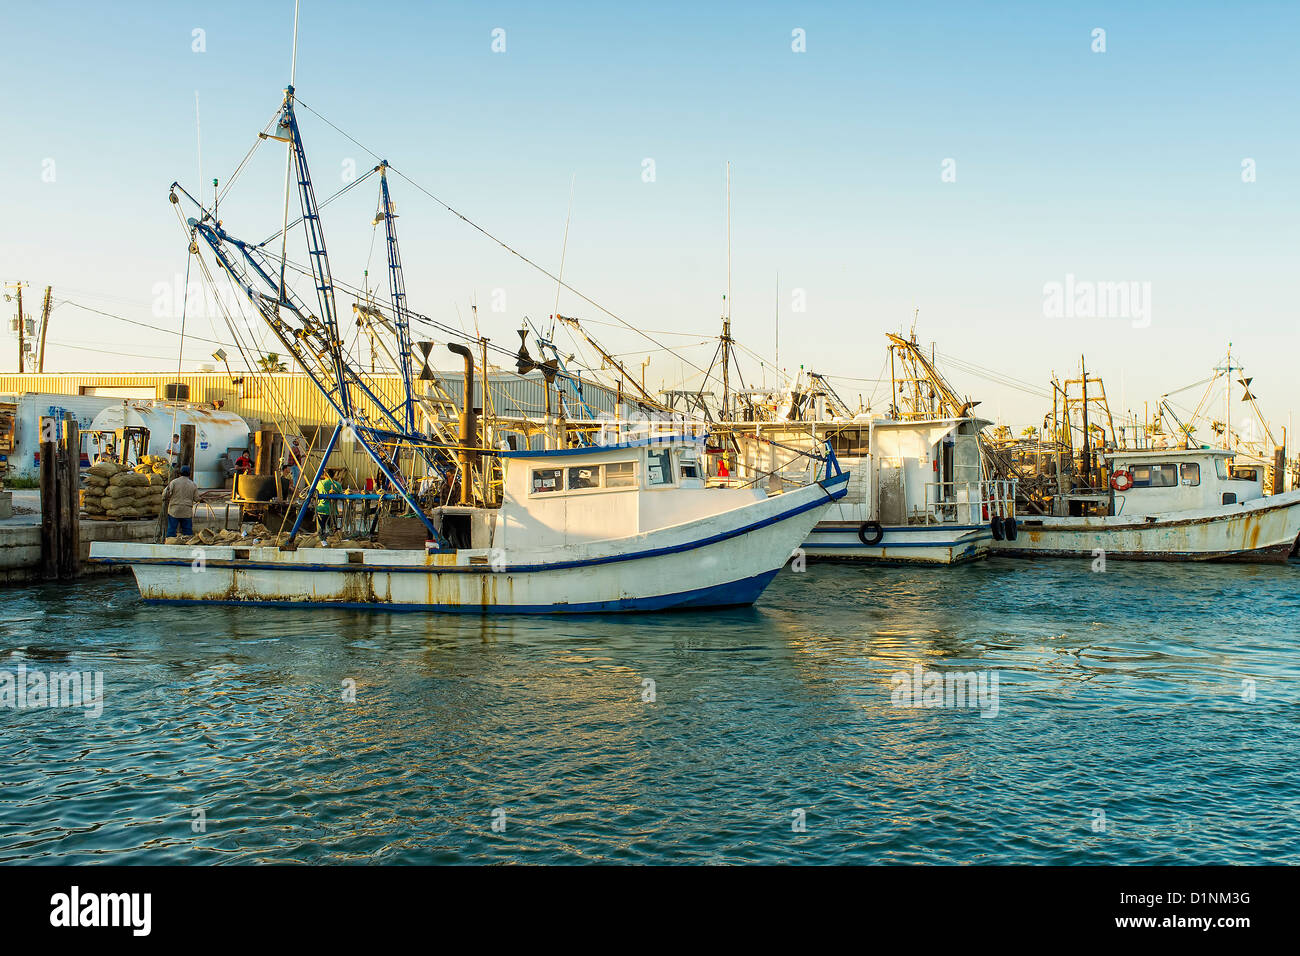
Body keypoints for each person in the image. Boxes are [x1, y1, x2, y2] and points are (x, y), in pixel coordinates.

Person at [163, 464, 198, 538]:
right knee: (187, 531)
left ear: (180, 473)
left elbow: (165, 494)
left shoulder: (174, 482)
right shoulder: (193, 484)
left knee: (171, 529)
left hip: (174, 510)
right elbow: (196, 498)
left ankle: (170, 543)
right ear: (189, 473)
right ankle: (188, 544)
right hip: (186, 511)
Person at [315, 468, 343, 534]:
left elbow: (314, 493)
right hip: (332, 511)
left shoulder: (319, 483)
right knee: (333, 531)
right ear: (334, 476)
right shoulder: (337, 485)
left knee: (321, 531)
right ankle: (333, 540)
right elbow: (341, 496)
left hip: (321, 510)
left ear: (324, 475)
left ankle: (322, 541)